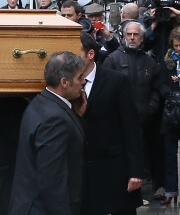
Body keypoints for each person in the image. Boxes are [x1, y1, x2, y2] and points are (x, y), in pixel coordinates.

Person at [9, 51, 86, 215]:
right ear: (64, 82)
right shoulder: (55, 119)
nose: (83, 82)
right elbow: (52, 179)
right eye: (80, 77)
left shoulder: (42, 103)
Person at [79, 31, 143, 215]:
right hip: (82, 173)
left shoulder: (116, 81)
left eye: (74, 54)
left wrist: (135, 171)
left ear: (90, 54)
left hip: (114, 169)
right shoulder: (65, 84)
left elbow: (131, 128)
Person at [104, 21, 166, 200]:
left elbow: (156, 87)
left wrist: (151, 107)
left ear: (142, 37)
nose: (132, 38)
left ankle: (154, 187)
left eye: (135, 35)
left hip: (146, 118)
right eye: (129, 34)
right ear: (123, 36)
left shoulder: (150, 62)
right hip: (120, 121)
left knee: (150, 155)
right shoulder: (113, 59)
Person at [161, 26, 180, 205]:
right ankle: (170, 190)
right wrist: (169, 93)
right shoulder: (168, 62)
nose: (178, 49)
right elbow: (161, 83)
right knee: (169, 153)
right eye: (176, 46)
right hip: (171, 110)